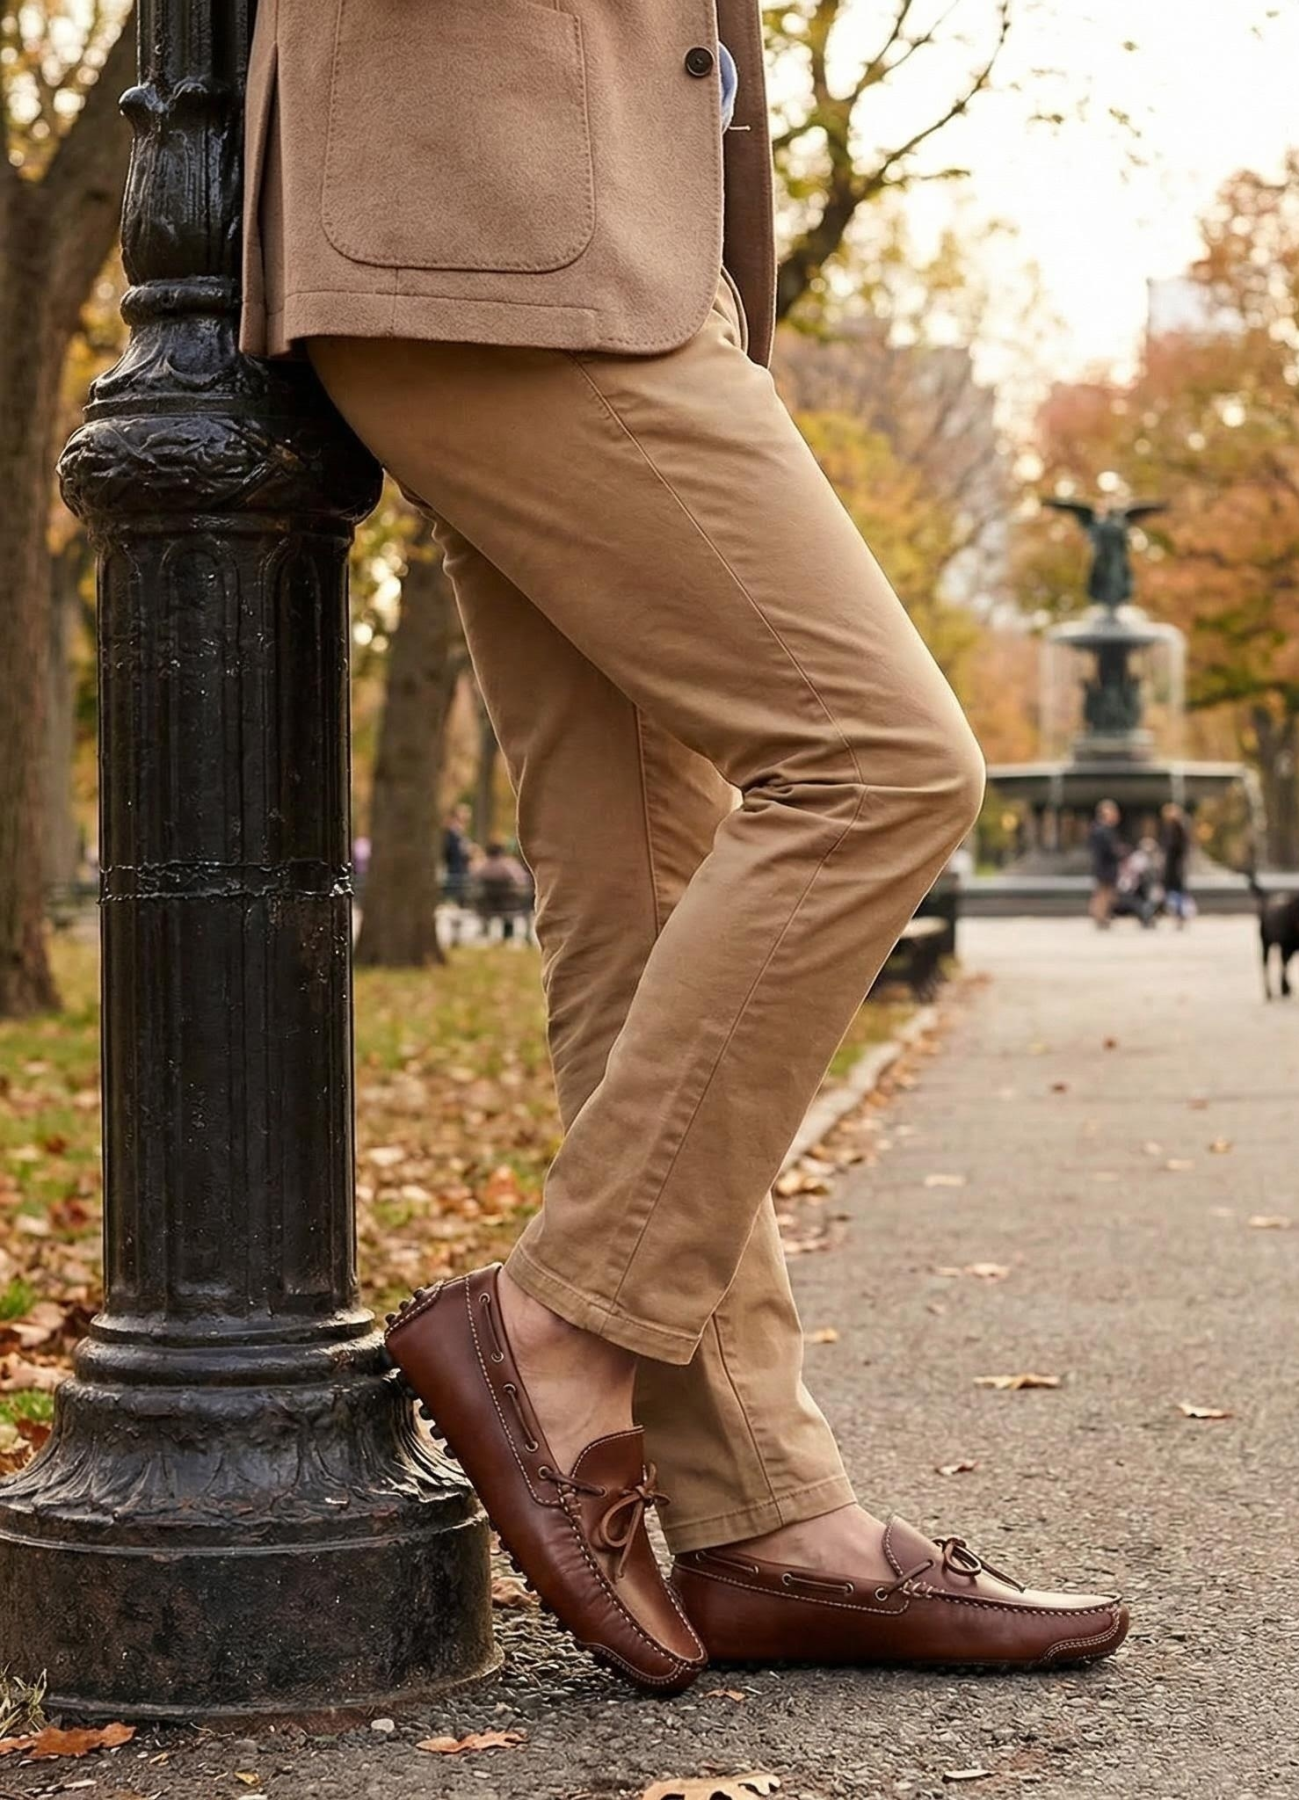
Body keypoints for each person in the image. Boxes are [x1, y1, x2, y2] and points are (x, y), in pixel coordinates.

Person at [240, 2, 1124, 1691]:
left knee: (646, 880)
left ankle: (761, 1514)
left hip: (586, 242)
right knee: (880, 762)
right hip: (493, 220)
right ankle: (561, 1326)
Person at [1088, 799, 1127, 928]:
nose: (1116, 815)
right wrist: (1119, 852)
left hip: (1104, 866)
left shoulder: (1101, 829)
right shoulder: (1102, 830)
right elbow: (1108, 849)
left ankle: (1101, 916)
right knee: (1104, 893)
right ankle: (1100, 917)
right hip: (1105, 866)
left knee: (1104, 892)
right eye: (1113, 812)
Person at [1159, 802, 1193, 927]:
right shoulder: (1170, 828)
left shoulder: (1178, 828)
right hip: (1172, 865)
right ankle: (1176, 913)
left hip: (1175, 865)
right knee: (1172, 890)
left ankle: (1180, 914)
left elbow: (1178, 847)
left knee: (1176, 890)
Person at [441, 804, 473, 907]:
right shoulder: (451, 832)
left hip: (461, 869)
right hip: (455, 870)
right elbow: (450, 851)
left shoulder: (460, 832)